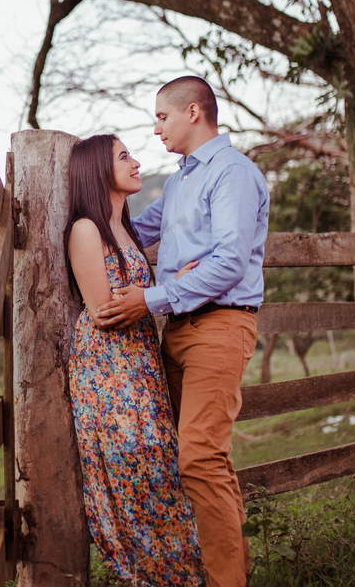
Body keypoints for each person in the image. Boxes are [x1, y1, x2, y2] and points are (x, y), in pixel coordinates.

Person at [97, 76, 269, 587]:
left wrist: (149, 298)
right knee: (196, 457)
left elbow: (230, 261)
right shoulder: (177, 183)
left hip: (220, 324)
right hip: (178, 329)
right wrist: (87, 209)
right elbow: (134, 232)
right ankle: (230, 573)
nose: (155, 130)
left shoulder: (233, 173)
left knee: (198, 456)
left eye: (161, 117)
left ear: (193, 112)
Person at [63, 134, 205, 586]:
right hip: (109, 372)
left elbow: (137, 297)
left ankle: (179, 574)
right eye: (124, 156)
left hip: (140, 366)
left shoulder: (124, 226)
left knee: (162, 467)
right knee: (136, 470)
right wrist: (162, 294)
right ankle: (149, 575)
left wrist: (161, 288)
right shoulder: (87, 229)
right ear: (97, 171)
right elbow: (104, 311)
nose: (137, 162)